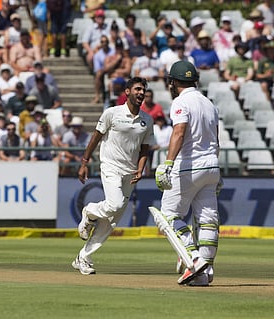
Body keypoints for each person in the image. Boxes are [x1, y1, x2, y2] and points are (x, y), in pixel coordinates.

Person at [73, 77, 154, 275]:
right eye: (137, 89)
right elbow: (96, 137)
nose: (141, 93)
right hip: (110, 166)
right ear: (127, 91)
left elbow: (145, 149)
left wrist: (140, 169)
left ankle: (83, 257)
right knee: (115, 204)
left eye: (143, 90)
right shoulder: (112, 113)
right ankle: (89, 211)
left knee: (111, 222)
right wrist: (84, 163)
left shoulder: (147, 119)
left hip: (130, 172)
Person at [154, 60, 220, 286]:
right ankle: (205, 273)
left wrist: (167, 163)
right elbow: (216, 139)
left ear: (173, 82)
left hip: (190, 166)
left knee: (167, 215)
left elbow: (179, 132)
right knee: (207, 220)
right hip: (212, 166)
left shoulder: (181, 102)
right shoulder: (209, 104)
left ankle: (194, 258)